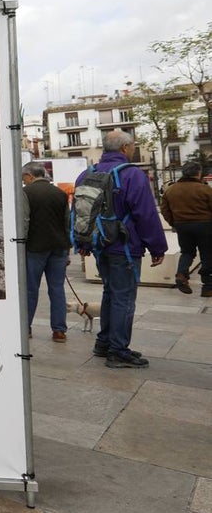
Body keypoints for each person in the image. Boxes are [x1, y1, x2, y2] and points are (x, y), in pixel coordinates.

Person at [75, 130, 167, 368]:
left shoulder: (86, 174)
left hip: (99, 246)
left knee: (110, 293)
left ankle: (104, 343)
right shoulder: (132, 175)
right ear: (125, 148)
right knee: (124, 299)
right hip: (124, 247)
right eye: (133, 145)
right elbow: (145, 214)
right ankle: (118, 351)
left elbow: (79, 213)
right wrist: (157, 246)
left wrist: (83, 243)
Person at [20, 162, 71, 341]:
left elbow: (24, 221)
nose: (23, 181)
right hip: (59, 247)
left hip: (35, 248)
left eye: (23, 178)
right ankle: (59, 331)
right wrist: (68, 248)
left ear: (29, 176)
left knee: (30, 290)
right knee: (57, 288)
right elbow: (67, 222)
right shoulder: (60, 193)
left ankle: (25, 328)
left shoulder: (26, 194)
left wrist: (20, 246)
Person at [161, 161, 212, 296]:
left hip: (182, 226)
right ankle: (208, 287)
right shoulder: (205, 189)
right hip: (205, 226)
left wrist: (174, 223)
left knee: (187, 252)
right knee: (207, 254)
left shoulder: (170, 190)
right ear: (198, 173)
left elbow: (165, 210)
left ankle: (181, 274)